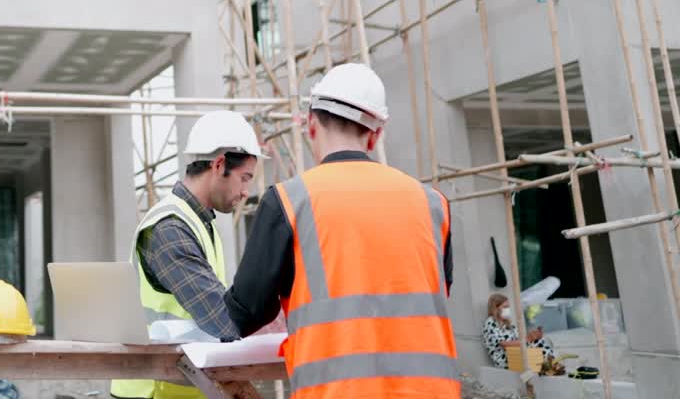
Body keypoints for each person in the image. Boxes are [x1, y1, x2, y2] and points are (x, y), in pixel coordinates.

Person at [225, 63, 459, 398]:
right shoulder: (433, 204)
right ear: (376, 134)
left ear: (310, 125)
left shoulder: (289, 201)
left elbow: (245, 313)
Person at [109, 110, 261, 399]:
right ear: (219, 165)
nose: (246, 192)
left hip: (179, 385)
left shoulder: (200, 222)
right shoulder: (170, 229)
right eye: (244, 178)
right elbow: (221, 319)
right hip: (152, 390)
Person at [483, 293, 554, 369]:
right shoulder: (491, 322)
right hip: (505, 359)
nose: (508, 310)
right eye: (505, 307)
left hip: (515, 354)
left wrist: (534, 336)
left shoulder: (507, 324)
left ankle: (550, 363)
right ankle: (549, 364)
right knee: (534, 344)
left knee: (538, 341)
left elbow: (521, 339)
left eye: (508, 307)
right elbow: (504, 344)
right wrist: (527, 339)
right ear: (496, 309)